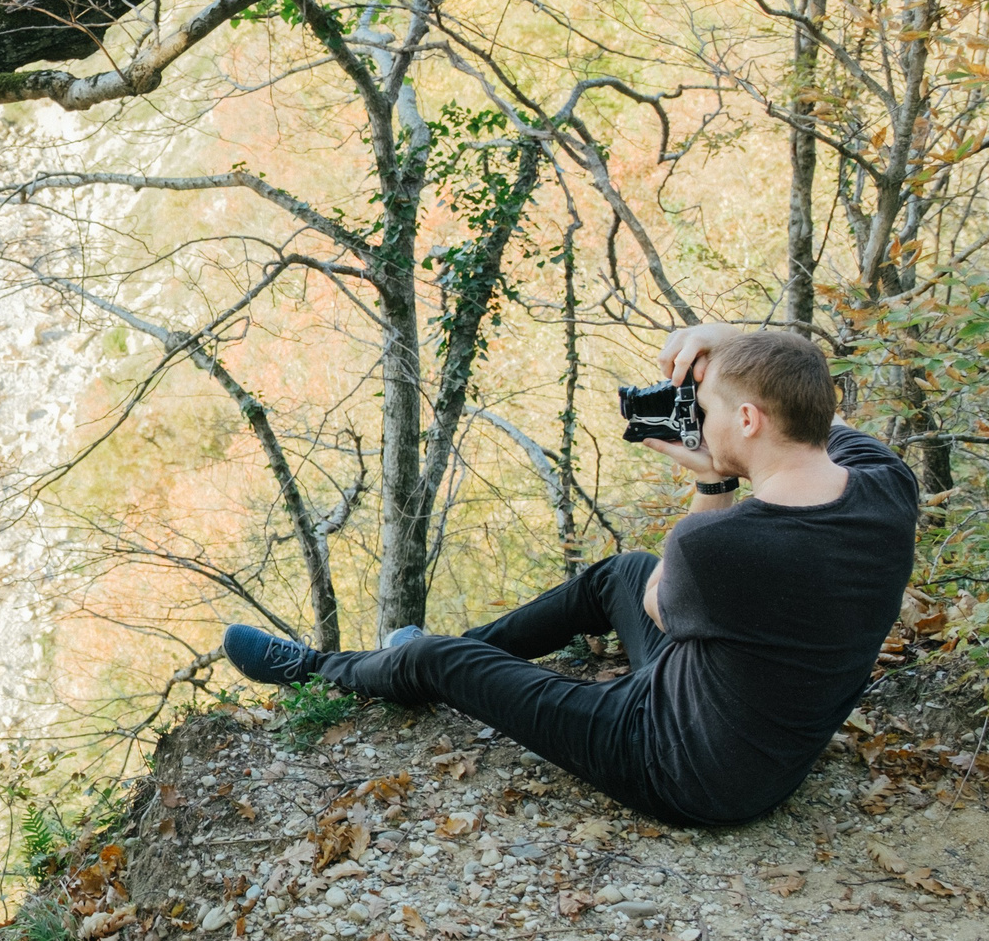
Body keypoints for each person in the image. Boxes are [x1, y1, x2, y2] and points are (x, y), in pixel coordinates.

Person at [222, 323, 919, 827]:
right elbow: (804, 395)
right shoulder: (885, 483)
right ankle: (443, 659)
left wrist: (711, 482)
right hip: (759, 732)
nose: (697, 428)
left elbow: (667, 594)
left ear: (748, 417)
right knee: (616, 571)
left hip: (683, 767)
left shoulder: (722, 548)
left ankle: (323, 668)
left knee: (437, 656)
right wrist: (733, 343)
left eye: (705, 415)